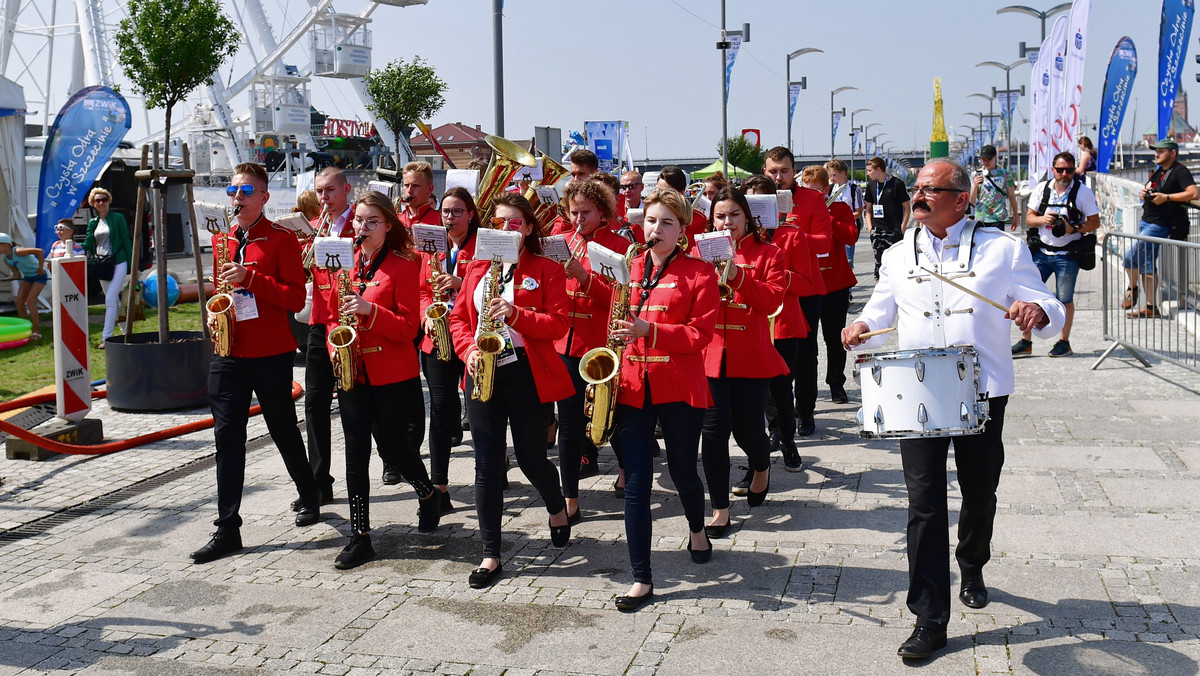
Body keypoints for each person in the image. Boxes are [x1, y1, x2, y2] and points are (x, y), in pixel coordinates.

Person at [842, 159, 1065, 661]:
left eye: (930, 189)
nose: (918, 196)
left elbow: (1049, 309)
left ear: (961, 199)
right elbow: (881, 307)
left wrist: (1036, 312)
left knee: (979, 489)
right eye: (917, 188)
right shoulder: (899, 255)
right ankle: (929, 617)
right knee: (923, 502)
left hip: (983, 389)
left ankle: (973, 560)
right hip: (917, 393)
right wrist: (859, 325)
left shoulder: (1002, 250)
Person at [191, 162, 322, 565]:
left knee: (282, 426)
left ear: (264, 198)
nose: (237, 198)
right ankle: (228, 527)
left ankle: (308, 491)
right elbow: (221, 289)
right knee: (227, 436)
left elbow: (294, 298)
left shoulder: (281, 238)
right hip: (228, 351)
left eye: (246, 191)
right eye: (233, 191)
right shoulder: (223, 240)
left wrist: (251, 279)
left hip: (270, 351)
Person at [447, 192, 574, 589]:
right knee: (486, 464)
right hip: (482, 371)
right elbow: (456, 319)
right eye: (499, 222)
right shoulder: (476, 267)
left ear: (529, 229)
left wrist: (517, 314)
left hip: (526, 372)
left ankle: (556, 506)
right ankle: (490, 554)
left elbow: (558, 324)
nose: (506, 229)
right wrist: (468, 351)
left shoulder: (546, 268)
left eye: (514, 223)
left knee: (532, 457)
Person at [609, 187, 717, 612]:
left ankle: (696, 527)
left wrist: (648, 331)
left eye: (667, 222)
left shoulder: (699, 273)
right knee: (636, 483)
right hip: (634, 385)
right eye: (651, 220)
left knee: (682, 472)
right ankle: (642, 578)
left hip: (679, 385)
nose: (657, 229)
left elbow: (699, 335)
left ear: (682, 230)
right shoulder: (628, 268)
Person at [325, 192, 440, 569]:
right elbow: (330, 316)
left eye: (372, 221)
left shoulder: (406, 266)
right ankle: (360, 537)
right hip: (352, 373)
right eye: (358, 220)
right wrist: (333, 346)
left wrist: (369, 310)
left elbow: (408, 328)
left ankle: (427, 494)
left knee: (395, 449)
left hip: (392, 375)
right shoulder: (343, 262)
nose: (362, 227)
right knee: (355, 454)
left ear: (388, 225)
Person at [701, 187, 787, 538]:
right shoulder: (698, 252)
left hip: (750, 356)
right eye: (720, 216)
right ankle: (720, 508)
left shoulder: (769, 253)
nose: (727, 222)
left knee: (749, 431)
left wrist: (737, 276)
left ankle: (761, 465)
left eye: (734, 215)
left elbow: (771, 301)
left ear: (747, 218)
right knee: (713, 434)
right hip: (710, 357)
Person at [555, 178, 633, 517]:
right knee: (569, 424)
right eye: (573, 212)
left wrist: (583, 277)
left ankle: (626, 472)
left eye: (585, 212)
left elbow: (619, 301)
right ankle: (569, 497)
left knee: (608, 417)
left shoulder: (618, 246)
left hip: (600, 344)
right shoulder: (563, 240)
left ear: (603, 213)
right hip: (564, 342)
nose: (578, 219)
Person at [742, 174, 813, 470]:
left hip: (783, 323)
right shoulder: (736, 240)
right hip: (748, 324)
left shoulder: (790, 235)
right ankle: (769, 438)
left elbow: (807, 283)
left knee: (782, 389)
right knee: (755, 394)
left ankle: (788, 441)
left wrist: (776, 273)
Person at [418, 186, 478, 514]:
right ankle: (439, 486)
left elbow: (491, 286)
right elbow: (422, 289)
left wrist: (461, 282)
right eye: (445, 212)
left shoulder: (482, 246)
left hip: (470, 334)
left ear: (470, 214)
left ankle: (495, 465)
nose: (449, 218)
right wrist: (427, 312)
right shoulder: (433, 248)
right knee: (440, 409)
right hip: (439, 336)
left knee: (480, 404)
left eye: (456, 212)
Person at [763, 146, 831, 439]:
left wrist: (793, 232)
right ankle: (778, 417)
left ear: (795, 171)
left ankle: (805, 410)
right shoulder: (755, 199)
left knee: (805, 354)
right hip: (768, 285)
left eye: (784, 171)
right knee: (770, 353)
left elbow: (825, 243)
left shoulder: (813, 199)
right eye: (772, 171)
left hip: (803, 286)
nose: (778, 177)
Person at [301, 168, 356, 509]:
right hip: (321, 322)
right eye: (320, 192)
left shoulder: (360, 225)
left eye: (330, 191)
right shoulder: (315, 229)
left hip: (351, 325)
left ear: (346, 190)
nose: (324, 199)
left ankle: (393, 462)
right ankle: (320, 483)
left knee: (357, 403)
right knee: (314, 403)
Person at [1013, 151, 1100, 358]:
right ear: (1052, 170)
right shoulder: (1042, 190)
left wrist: (1073, 228)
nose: (1064, 174)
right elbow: (1030, 218)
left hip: (1068, 254)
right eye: (1060, 169)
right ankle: (1026, 341)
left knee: (1064, 299)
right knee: (1029, 297)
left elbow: (1095, 222)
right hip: (1041, 252)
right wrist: (1044, 220)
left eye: (1069, 170)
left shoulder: (1083, 193)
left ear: (1074, 171)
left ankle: (1064, 341)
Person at [800, 166, 858, 404]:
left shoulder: (840, 209)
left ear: (826, 190)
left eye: (816, 191)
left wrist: (828, 218)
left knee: (834, 338)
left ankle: (836, 383)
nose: (812, 195)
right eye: (807, 190)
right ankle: (807, 391)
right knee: (807, 343)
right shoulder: (800, 210)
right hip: (809, 284)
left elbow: (851, 237)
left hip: (835, 283)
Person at [1124, 138, 1197, 318]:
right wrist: (1144, 192)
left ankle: (1134, 290)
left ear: (1173, 153)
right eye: (1156, 151)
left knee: (1131, 256)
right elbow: (1152, 190)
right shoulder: (1160, 172)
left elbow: (1194, 193)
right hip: (1147, 221)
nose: (1157, 154)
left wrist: (1167, 197)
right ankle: (1150, 307)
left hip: (1160, 224)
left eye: (1161, 151)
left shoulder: (1180, 171)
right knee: (1144, 263)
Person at [83, 187, 132, 347]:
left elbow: (126, 241)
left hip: (119, 261)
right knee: (114, 303)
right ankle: (127, 334)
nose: (102, 203)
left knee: (110, 299)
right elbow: (88, 244)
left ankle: (106, 338)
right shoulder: (93, 222)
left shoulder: (117, 218)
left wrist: (133, 265)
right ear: (93, 203)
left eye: (104, 199)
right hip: (102, 264)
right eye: (98, 200)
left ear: (109, 201)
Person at [863, 156, 910, 280]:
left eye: (869, 170)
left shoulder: (897, 184)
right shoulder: (871, 186)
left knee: (896, 262)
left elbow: (906, 207)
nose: (867, 174)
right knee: (879, 262)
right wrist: (870, 227)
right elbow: (868, 209)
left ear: (878, 169)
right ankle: (880, 286)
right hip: (877, 230)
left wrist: (902, 227)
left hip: (894, 229)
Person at [0, 232, 46, 340]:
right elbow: (17, 275)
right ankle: (25, 328)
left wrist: (40, 268)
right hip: (28, 277)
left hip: (39, 276)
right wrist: (3, 280)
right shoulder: (6, 259)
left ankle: (36, 331)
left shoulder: (18, 251)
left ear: (5, 244)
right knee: (19, 301)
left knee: (30, 301)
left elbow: (39, 251)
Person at [547, 150, 601, 236]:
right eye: (573, 174)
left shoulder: (605, 200)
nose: (575, 180)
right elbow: (555, 235)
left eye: (581, 174)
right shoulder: (567, 200)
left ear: (594, 174)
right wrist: (566, 214)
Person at [655, 165, 709, 250]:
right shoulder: (650, 216)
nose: (660, 195)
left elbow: (695, 250)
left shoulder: (697, 219)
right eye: (658, 191)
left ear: (681, 193)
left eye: (667, 192)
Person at [968, 145, 1019, 231]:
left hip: (998, 217)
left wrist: (1016, 216)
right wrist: (975, 186)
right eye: (984, 160)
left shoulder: (1005, 174)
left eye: (989, 159)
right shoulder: (975, 175)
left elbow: (1011, 196)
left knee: (998, 244)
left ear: (995, 157)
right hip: (981, 217)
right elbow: (971, 202)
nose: (986, 162)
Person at [825, 159, 863, 267]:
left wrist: (844, 219)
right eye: (830, 175)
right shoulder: (831, 188)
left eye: (834, 175)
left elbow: (859, 212)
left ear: (843, 173)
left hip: (847, 227)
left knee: (848, 259)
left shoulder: (854, 189)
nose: (831, 178)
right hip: (833, 227)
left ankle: (849, 280)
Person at [399, 161, 441, 230]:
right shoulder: (397, 220)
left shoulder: (440, 220)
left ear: (429, 189)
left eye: (415, 186)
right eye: (406, 185)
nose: (409, 191)